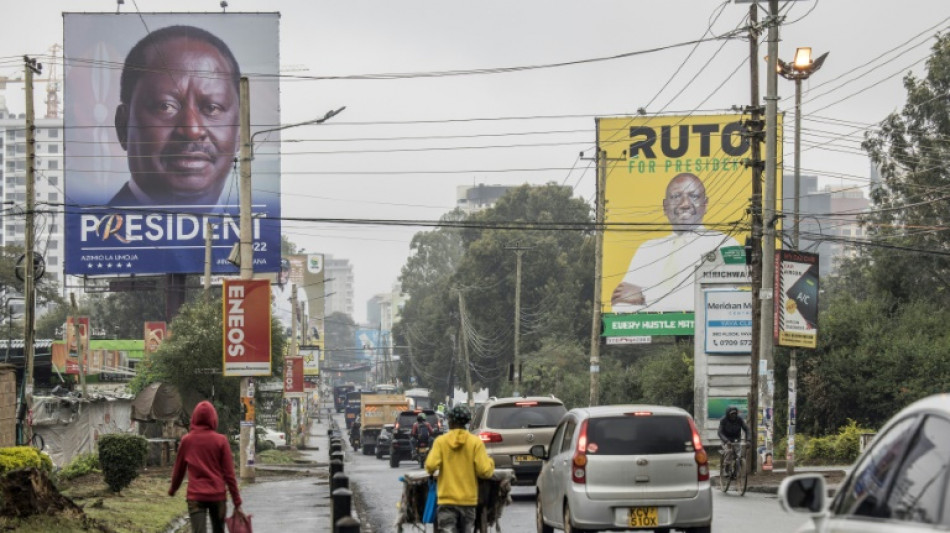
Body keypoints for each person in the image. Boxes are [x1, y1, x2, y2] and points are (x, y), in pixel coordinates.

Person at [111, 25, 241, 207]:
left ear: (240, 133)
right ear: (123, 126)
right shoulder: (94, 226)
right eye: (165, 106)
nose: (192, 130)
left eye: (212, 108)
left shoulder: (259, 224)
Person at [612, 172, 741, 312]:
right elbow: (621, 306)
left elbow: (721, 301)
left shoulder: (726, 244)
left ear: (705, 204)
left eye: (694, 196)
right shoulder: (647, 249)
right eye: (676, 196)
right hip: (652, 327)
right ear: (665, 206)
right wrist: (684, 297)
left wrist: (645, 296)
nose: (685, 204)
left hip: (703, 327)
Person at [169, 401, 243, 533]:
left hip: (195, 497)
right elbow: (229, 475)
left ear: (194, 418)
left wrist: (173, 489)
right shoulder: (221, 441)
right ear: (213, 418)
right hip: (218, 497)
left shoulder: (187, 440)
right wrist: (237, 502)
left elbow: (178, 470)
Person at [425, 405, 495, 533]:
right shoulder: (475, 443)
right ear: (466, 422)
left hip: (446, 501)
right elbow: (484, 471)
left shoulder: (441, 442)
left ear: (451, 421)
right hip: (468, 502)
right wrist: (490, 462)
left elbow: (430, 466)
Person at [717, 406, 751, 474]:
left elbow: (747, 429)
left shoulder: (739, 419)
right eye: (732, 414)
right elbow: (719, 432)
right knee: (729, 451)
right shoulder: (723, 420)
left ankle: (736, 470)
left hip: (736, 440)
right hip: (726, 440)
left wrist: (748, 440)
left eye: (735, 414)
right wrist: (726, 441)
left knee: (739, 455)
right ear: (728, 414)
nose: (733, 415)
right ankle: (726, 467)